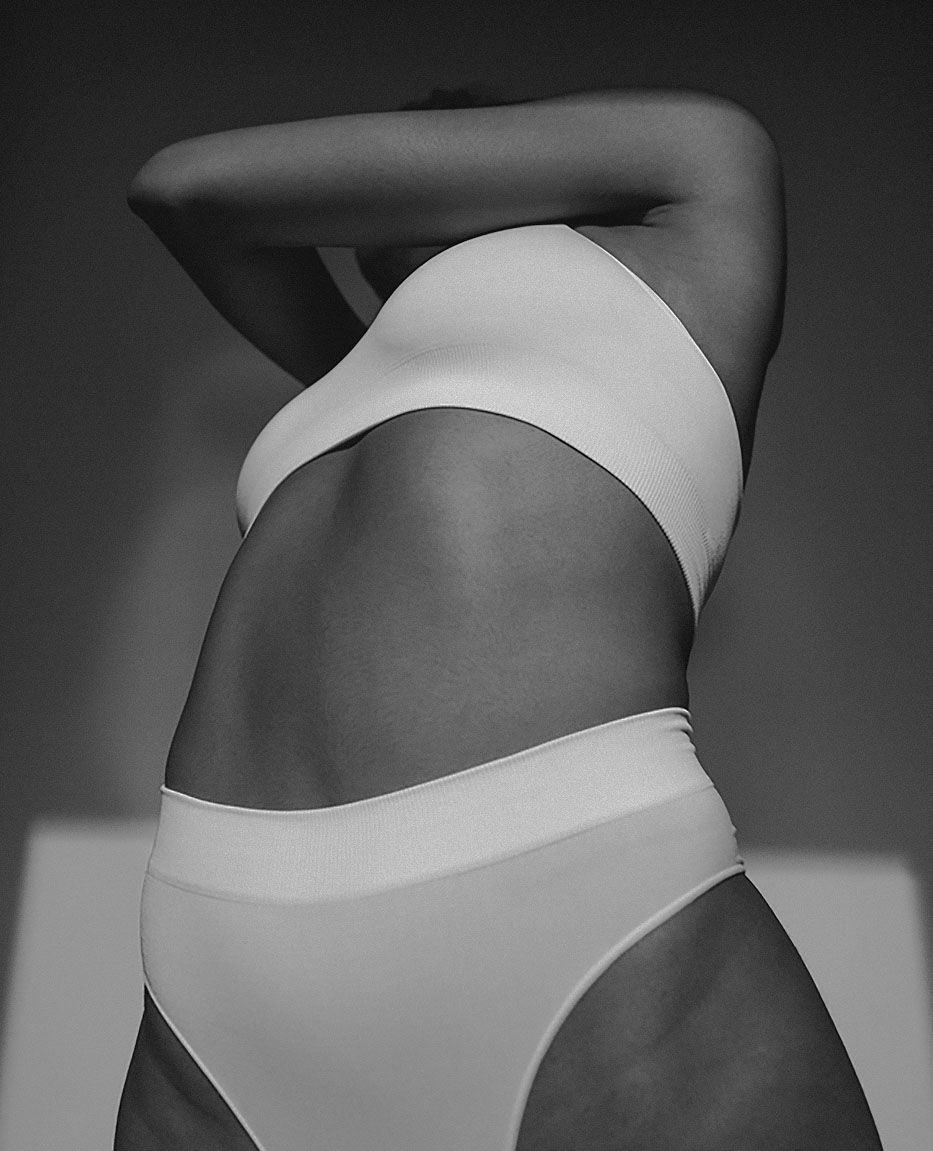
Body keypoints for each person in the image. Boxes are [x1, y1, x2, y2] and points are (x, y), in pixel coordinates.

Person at [114, 85, 883, 1150]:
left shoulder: (705, 186)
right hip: (220, 942)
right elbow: (183, 201)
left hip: (559, 876)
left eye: (433, 132)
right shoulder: (363, 377)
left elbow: (192, 184)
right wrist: (388, 351)